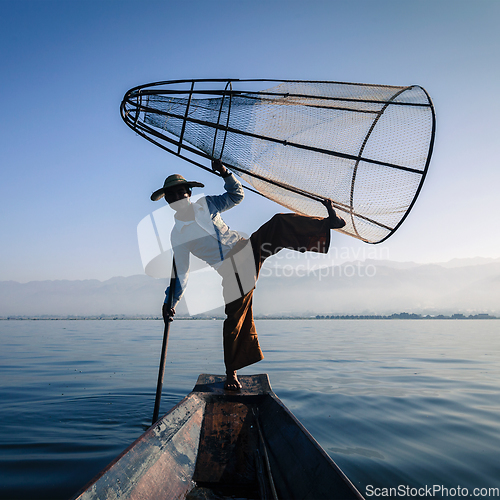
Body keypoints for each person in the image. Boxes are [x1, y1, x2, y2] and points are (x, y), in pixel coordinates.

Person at [151, 159, 346, 390]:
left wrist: (225, 173)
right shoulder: (178, 235)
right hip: (231, 270)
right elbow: (181, 273)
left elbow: (236, 195)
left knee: (278, 223)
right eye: (172, 196)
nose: (177, 198)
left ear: (189, 193)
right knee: (234, 318)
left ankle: (326, 224)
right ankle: (231, 372)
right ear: (169, 202)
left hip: (246, 248)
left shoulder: (206, 204)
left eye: (181, 193)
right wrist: (169, 301)